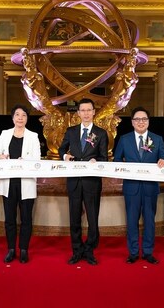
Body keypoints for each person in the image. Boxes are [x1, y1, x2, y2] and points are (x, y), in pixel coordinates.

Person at [114, 107, 164, 264]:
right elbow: (117, 160)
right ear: (132, 122)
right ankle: (133, 252)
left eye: (144, 119)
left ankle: (148, 252)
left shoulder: (157, 139)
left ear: (148, 121)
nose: (141, 122)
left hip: (150, 187)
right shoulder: (124, 139)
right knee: (132, 221)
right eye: (137, 119)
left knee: (149, 221)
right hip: (131, 188)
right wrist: (124, 168)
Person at [59, 98, 108, 265]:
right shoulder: (71, 131)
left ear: (94, 112)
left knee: (92, 219)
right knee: (74, 218)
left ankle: (89, 249)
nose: (86, 113)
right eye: (83, 110)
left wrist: (97, 161)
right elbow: (61, 149)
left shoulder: (101, 133)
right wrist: (65, 156)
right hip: (74, 181)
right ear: (78, 113)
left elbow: (104, 158)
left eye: (89, 110)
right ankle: (77, 250)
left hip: (92, 182)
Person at [0, 105, 41, 263]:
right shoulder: (5, 134)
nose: (20, 118)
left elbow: (37, 160)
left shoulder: (33, 136)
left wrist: (25, 161)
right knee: (9, 219)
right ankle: (11, 249)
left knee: (26, 219)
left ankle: (24, 249)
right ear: (13, 117)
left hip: (26, 182)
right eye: (17, 114)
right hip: (8, 182)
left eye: (23, 115)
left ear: (27, 118)